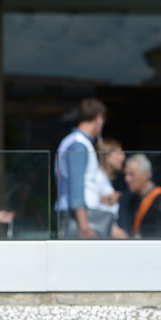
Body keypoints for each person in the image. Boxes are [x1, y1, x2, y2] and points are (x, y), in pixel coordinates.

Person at [54, 98, 114, 239]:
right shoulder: (79, 145)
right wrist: (84, 227)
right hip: (79, 219)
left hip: (77, 215)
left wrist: (100, 198)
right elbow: (76, 186)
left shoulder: (76, 142)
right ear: (99, 118)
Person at [121, 154, 161, 239]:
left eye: (132, 174)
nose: (127, 179)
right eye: (126, 174)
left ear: (145, 174)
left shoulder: (160, 198)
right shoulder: (132, 200)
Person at [97, 137, 130, 240]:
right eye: (119, 153)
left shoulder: (105, 178)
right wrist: (111, 227)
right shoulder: (97, 178)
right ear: (107, 156)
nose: (123, 157)